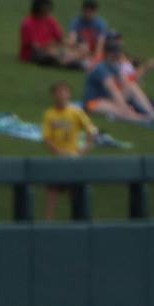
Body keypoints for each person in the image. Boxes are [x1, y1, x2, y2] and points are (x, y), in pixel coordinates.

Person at [39, 80, 99, 220]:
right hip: (58, 158)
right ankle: (48, 220)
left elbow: (91, 130)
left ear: (69, 94)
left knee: (73, 190)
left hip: (73, 157)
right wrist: (57, 151)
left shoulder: (76, 112)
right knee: (53, 189)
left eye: (64, 92)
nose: (61, 95)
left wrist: (84, 149)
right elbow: (47, 138)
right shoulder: (49, 114)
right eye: (58, 92)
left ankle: (77, 219)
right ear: (53, 95)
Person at [82, 47, 154, 124]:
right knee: (121, 110)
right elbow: (112, 89)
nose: (118, 57)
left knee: (132, 86)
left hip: (108, 98)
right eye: (116, 54)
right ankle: (144, 119)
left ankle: (151, 113)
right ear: (109, 55)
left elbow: (125, 82)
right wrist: (124, 106)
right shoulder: (100, 68)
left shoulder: (114, 66)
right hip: (93, 102)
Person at [17, 0, 83, 68]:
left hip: (50, 49)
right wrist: (51, 48)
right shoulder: (27, 23)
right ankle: (67, 62)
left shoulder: (50, 20)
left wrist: (73, 46)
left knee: (71, 51)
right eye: (46, 7)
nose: (48, 10)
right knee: (48, 56)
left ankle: (70, 61)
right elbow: (35, 46)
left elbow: (60, 38)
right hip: (32, 54)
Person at [67, 0, 110, 67]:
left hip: (94, 50)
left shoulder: (100, 24)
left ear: (94, 11)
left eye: (90, 11)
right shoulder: (76, 22)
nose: (87, 14)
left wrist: (96, 57)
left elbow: (100, 43)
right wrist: (78, 46)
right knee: (80, 49)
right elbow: (71, 41)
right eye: (86, 11)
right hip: (80, 50)